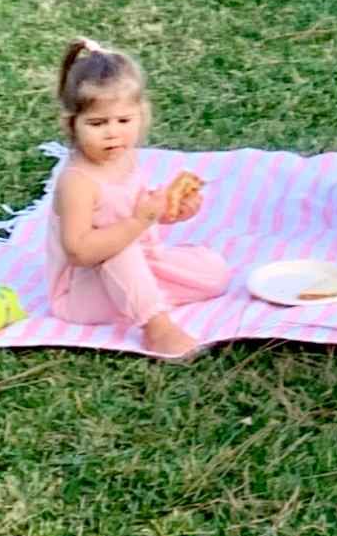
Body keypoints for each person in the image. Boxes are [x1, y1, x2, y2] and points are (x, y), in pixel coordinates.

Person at [46, 39, 223, 358]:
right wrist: (139, 220)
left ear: (141, 115)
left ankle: (140, 293)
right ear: (71, 124)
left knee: (214, 272)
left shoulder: (124, 157)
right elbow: (80, 252)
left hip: (137, 262)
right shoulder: (78, 181)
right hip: (84, 289)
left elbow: (135, 208)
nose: (113, 133)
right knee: (119, 251)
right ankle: (156, 326)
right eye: (97, 124)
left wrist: (169, 211)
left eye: (123, 121)